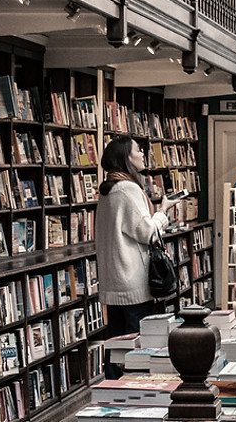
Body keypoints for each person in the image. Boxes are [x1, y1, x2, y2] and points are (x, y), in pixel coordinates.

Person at [94, 137, 181, 376]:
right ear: (126, 158)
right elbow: (148, 233)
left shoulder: (107, 190)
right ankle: (137, 397)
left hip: (113, 280)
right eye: (137, 150)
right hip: (132, 281)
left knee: (116, 346)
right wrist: (163, 212)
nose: (142, 154)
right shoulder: (128, 189)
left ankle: (112, 395)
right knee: (137, 349)